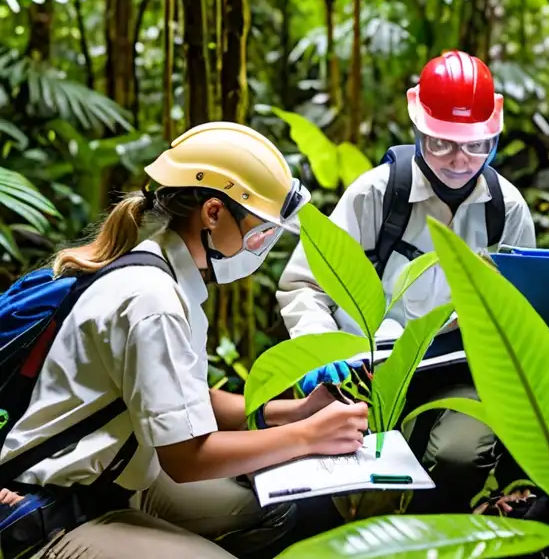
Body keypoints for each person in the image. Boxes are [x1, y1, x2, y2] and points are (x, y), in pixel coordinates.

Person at [0, 122, 368, 559]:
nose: (263, 244)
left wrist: (293, 412)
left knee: (282, 509)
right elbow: (187, 457)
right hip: (51, 508)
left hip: (117, 476)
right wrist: (308, 436)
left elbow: (184, 397)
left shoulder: (168, 274)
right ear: (213, 213)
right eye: (261, 231)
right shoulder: (152, 299)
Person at [277, 50, 536, 512]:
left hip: (458, 373)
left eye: (476, 145)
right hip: (364, 372)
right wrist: (318, 348)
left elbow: (519, 308)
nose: (459, 160)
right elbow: (304, 284)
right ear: (418, 129)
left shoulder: (506, 209)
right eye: (441, 143)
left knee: (459, 456)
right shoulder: (376, 195)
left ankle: (434, 528)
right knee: (338, 489)